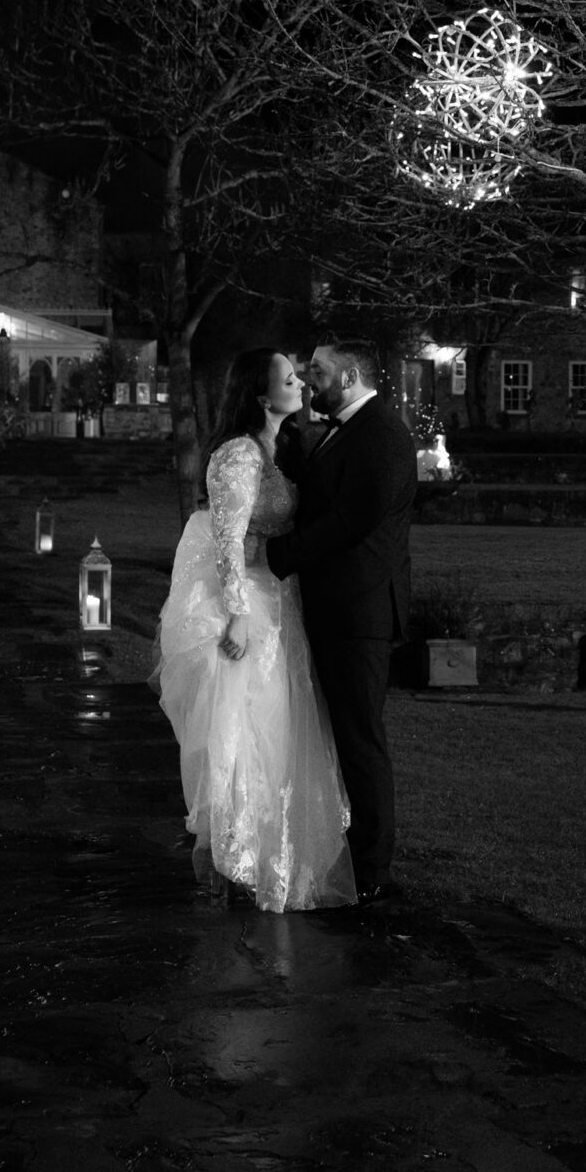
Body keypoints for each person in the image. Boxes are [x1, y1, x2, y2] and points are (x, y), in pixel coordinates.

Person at [151, 349, 357, 912]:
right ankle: (237, 853)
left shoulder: (281, 448)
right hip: (245, 603)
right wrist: (238, 613)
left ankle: (276, 852)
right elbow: (226, 540)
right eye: (290, 378)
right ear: (262, 396)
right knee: (243, 730)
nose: (302, 383)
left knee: (279, 728)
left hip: (281, 599)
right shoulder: (238, 455)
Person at [266, 339, 418, 904]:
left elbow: (352, 521)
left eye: (320, 372)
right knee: (338, 738)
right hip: (336, 607)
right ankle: (345, 853)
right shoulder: (344, 431)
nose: (309, 381)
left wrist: (281, 557)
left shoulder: (381, 434)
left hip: (360, 611)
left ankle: (374, 871)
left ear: (351, 375)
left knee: (360, 741)